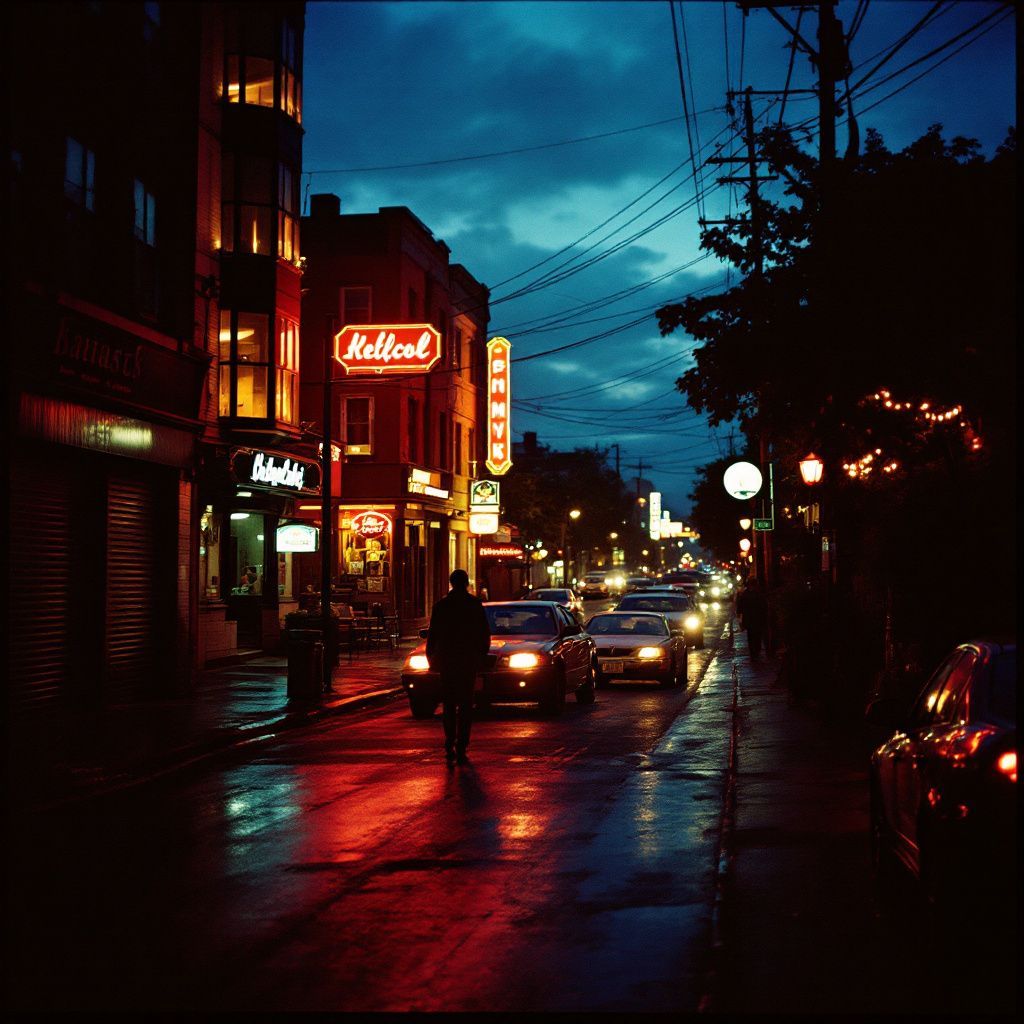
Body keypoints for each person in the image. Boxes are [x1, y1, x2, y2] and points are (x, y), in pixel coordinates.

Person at [426, 569, 491, 766]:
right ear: (466, 584)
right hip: (467, 661)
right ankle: (462, 744)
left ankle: (449, 742)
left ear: (451, 583)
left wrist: (432, 658)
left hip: (447, 661)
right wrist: (480, 656)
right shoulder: (474, 605)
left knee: (448, 704)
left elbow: (433, 634)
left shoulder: (441, 606)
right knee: (465, 705)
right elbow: (484, 633)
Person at [735, 576, 769, 659]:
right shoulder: (758, 593)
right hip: (757, 619)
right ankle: (755, 652)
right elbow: (764, 606)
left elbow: (740, 606)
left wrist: (739, 614)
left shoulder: (746, 594)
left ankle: (754, 653)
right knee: (756, 636)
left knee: (752, 636)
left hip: (751, 619)